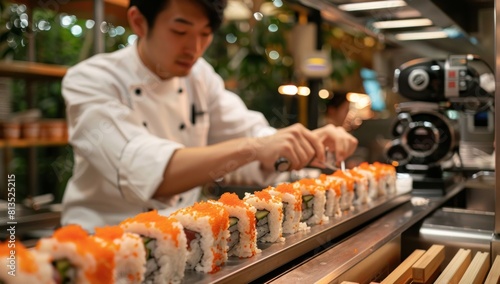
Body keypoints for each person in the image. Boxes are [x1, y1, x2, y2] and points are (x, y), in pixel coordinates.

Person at [60, 0, 358, 232]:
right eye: (180, 31)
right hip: (102, 240)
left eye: (205, 34)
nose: (194, 48)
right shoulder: (91, 80)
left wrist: (303, 143)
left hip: (180, 236)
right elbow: (147, 172)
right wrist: (255, 147)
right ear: (138, 21)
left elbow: (249, 132)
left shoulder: (199, 76)